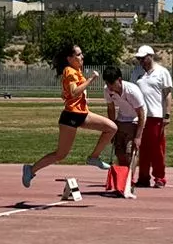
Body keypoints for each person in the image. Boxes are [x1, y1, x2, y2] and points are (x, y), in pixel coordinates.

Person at [23, 46, 116, 188]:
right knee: (60, 155)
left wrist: (70, 94)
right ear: (69, 58)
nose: (82, 57)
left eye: (81, 54)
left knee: (111, 128)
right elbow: (74, 92)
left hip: (82, 113)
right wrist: (91, 79)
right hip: (71, 116)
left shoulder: (77, 71)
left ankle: (94, 157)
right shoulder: (70, 71)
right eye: (78, 54)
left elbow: (67, 93)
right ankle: (31, 170)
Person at [101, 65, 146, 198]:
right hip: (121, 119)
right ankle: (121, 181)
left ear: (119, 80)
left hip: (135, 119)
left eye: (111, 84)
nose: (109, 87)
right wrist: (112, 128)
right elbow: (111, 109)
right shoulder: (107, 90)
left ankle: (129, 183)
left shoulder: (132, 91)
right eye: (107, 84)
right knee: (119, 152)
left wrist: (138, 136)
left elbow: (142, 114)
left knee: (129, 152)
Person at [132, 44, 173, 189]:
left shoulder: (162, 72)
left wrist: (167, 114)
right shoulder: (137, 73)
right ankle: (143, 177)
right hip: (140, 116)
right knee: (141, 148)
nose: (141, 61)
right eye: (139, 59)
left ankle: (159, 177)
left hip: (156, 115)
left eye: (143, 58)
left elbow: (167, 94)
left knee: (157, 149)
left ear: (151, 56)